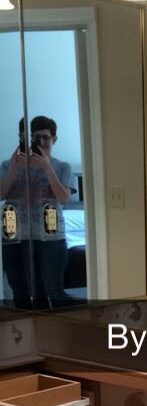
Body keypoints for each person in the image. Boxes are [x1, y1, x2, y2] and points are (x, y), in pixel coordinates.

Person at [0, 115, 73, 308]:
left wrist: (47, 167)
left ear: (54, 139)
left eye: (45, 137)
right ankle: (29, 326)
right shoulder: (7, 165)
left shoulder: (62, 167)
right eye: (35, 137)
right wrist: (14, 167)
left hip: (50, 236)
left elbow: (63, 198)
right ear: (27, 139)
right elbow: (1, 195)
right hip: (13, 235)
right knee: (19, 290)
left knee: (54, 290)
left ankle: (61, 325)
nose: (41, 142)